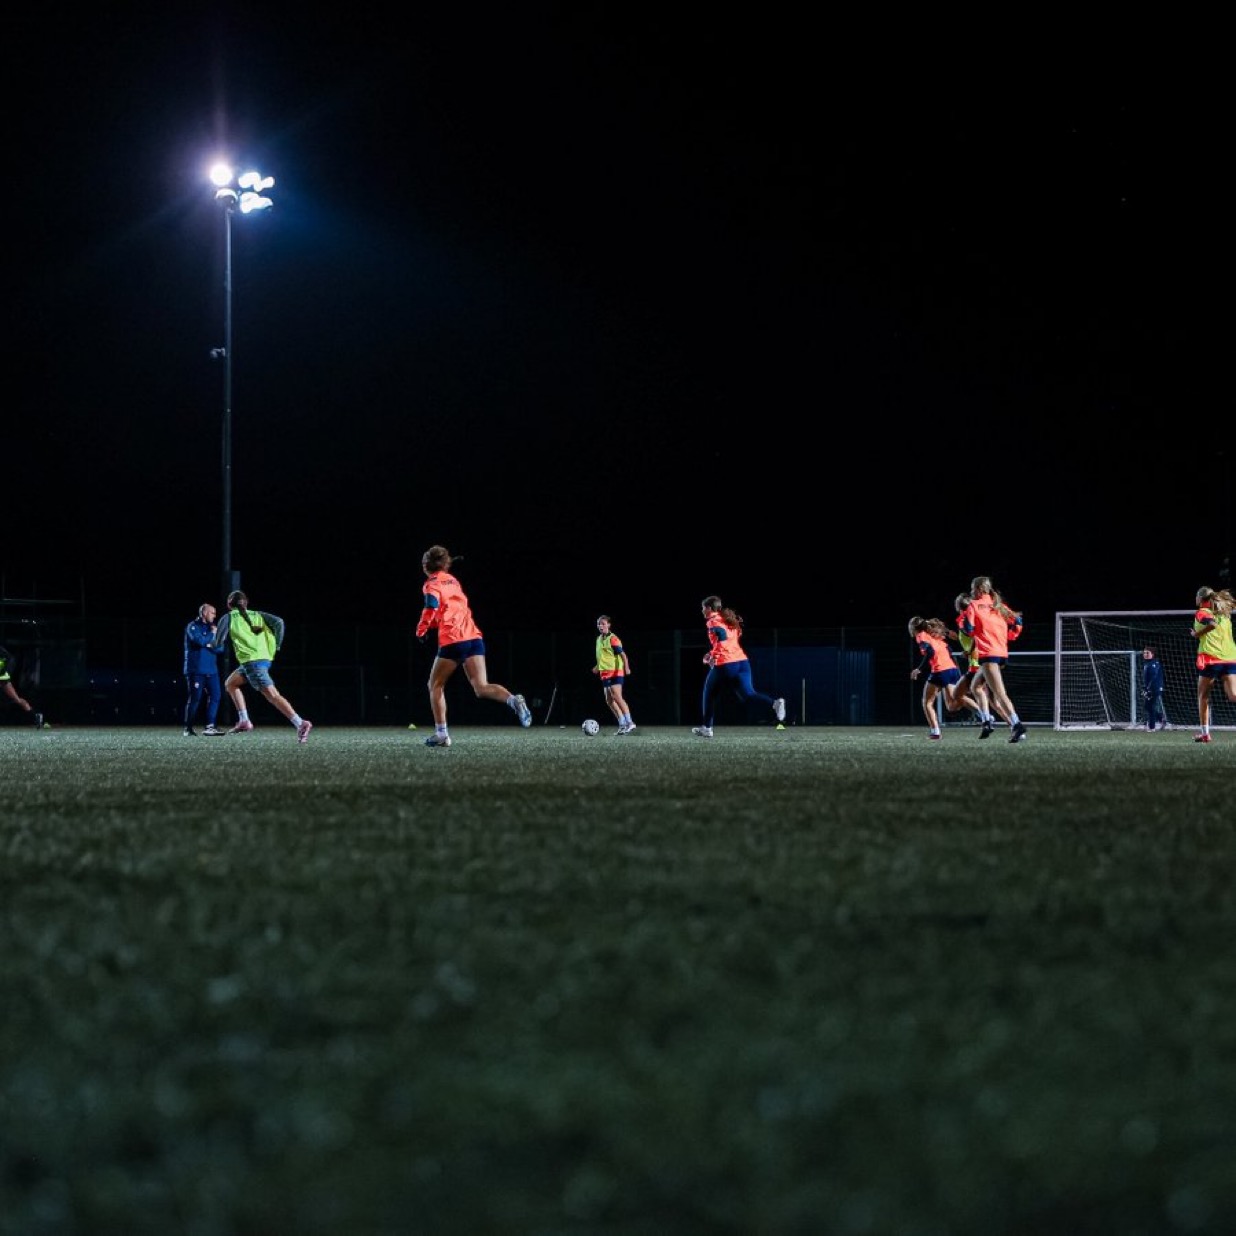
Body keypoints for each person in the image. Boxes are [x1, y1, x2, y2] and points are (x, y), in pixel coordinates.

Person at [415, 545, 532, 747]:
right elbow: (448, 611)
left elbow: (431, 606)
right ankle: (514, 700)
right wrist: (432, 625)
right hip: (473, 638)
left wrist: (421, 630)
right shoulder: (453, 581)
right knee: (481, 687)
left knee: (434, 686)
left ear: (426, 565)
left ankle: (442, 734)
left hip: (453, 639)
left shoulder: (431, 583)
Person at [211, 590, 313, 743]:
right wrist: (277, 645)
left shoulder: (228, 617)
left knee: (273, 696)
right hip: (261, 660)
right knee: (230, 683)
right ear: (246, 603)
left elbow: (217, 644)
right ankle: (244, 720)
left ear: (228, 605)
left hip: (253, 663)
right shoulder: (257, 614)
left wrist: (214, 633)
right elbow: (279, 622)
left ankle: (300, 723)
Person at [692, 595, 786, 737]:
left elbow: (722, 641)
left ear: (710, 609)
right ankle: (775, 703)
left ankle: (707, 728)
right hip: (742, 662)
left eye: (703, 608)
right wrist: (712, 653)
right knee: (748, 695)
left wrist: (711, 657)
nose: (702, 610)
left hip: (726, 664)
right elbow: (728, 641)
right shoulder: (729, 619)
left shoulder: (713, 621)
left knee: (709, 693)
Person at [960, 575, 1027, 743]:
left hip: (988, 655)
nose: (971, 592)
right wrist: (1010, 635)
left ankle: (1017, 724)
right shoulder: (999, 606)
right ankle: (987, 720)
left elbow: (968, 629)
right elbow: (1018, 621)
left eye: (972, 589)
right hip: (1001, 653)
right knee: (976, 687)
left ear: (979, 589)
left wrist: (966, 627)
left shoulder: (974, 606)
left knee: (999, 693)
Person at [908, 616, 982, 739]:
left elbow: (930, 652)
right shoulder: (935, 637)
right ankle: (982, 712)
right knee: (952, 705)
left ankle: (935, 732)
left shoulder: (921, 636)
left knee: (927, 702)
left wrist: (918, 669)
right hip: (952, 669)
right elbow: (949, 650)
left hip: (940, 671)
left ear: (913, 628)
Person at [1190, 586, 1236, 744]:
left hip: (1212, 659)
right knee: (1233, 695)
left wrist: (1197, 634)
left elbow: (1211, 625)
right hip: (1230, 658)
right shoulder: (1224, 615)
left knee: (1203, 697)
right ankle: (1204, 734)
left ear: (1199, 598)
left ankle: (1205, 735)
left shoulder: (1202, 613)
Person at [951, 591, 993, 728]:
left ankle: (990, 719)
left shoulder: (964, 619)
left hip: (977, 663)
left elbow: (974, 637)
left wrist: (969, 651)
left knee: (990, 698)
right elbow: (970, 638)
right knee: (960, 695)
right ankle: (986, 717)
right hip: (977, 662)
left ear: (958, 606)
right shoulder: (969, 618)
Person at [182, 602, 224, 736]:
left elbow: (220, 648)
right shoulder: (192, 626)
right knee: (195, 699)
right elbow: (199, 641)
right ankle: (188, 728)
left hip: (212, 670)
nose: (215, 615)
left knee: (216, 696)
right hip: (196, 670)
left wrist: (209, 642)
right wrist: (210, 638)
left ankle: (210, 726)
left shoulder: (213, 628)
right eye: (212, 613)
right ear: (204, 613)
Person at [592, 614, 636, 734]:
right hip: (605, 672)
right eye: (599, 624)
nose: (601, 626)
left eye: (603, 624)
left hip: (615, 671)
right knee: (609, 700)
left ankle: (630, 723)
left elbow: (622, 655)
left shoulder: (613, 638)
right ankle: (622, 724)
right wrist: (597, 667)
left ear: (609, 625)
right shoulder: (599, 639)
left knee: (617, 696)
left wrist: (627, 667)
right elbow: (604, 656)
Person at [0, 643, 44, 729]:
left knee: (16, 699)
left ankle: (35, 716)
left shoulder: (2, 653)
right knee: (15, 699)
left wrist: (4, 674)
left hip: (3, 678)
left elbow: (9, 659)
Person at [1141, 646, 1167, 732]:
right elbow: (1147, 678)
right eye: (1144, 653)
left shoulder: (1154, 663)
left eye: (1147, 653)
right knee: (1147, 706)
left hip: (1155, 688)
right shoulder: (1147, 663)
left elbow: (1153, 677)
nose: (1145, 654)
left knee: (1150, 706)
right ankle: (1161, 719)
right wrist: (1145, 688)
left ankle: (1152, 727)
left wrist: (1148, 689)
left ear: (1153, 654)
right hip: (1150, 688)